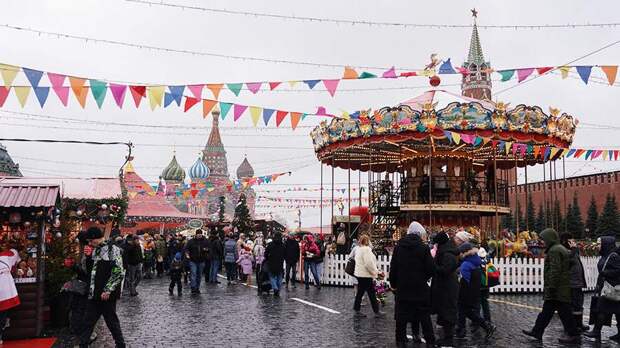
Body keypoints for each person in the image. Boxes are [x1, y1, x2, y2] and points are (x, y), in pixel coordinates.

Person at [522, 228, 580, 344]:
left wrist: (552, 287)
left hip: (557, 289)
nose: (541, 242)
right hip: (560, 288)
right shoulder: (559, 248)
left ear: (549, 239)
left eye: (543, 239)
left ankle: (573, 335)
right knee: (547, 312)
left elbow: (555, 270)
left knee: (565, 313)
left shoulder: (554, 250)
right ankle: (537, 331)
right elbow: (570, 262)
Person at [389, 222, 436, 347]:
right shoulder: (424, 248)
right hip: (420, 289)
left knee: (401, 318)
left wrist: (394, 284)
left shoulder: (399, 247)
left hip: (403, 288)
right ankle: (430, 342)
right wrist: (422, 278)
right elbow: (431, 269)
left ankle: (400, 341)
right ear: (420, 234)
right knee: (425, 317)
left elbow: (393, 268)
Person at [79, 227, 125, 348]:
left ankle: (120, 344)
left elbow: (118, 272)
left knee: (111, 321)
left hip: (106, 295)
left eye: (90, 240)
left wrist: (108, 289)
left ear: (95, 238)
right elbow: (87, 272)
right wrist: (87, 258)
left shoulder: (112, 249)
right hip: (94, 293)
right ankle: (83, 344)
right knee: (87, 322)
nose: (89, 243)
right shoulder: (93, 250)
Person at [455, 243, 496, 340]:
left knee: (465, 311)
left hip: (466, 292)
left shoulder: (465, 264)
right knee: (465, 311)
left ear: (465, 253)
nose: (459, 254)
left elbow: (463, 280)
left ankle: (486, 326)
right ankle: (462, 330)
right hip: (474, 291)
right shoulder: (476, 261)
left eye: (460, 253)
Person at [584, 236, 620, 341]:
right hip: (609, 288)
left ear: (606, 244)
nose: (598, 246)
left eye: (599, 244)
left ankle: (596, 331)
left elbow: (618, 270)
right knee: (618, 312)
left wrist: (605, 273)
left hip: (611, 289)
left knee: (601, 310)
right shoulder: (606, 255)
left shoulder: (613, 256)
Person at [431, 232, 460, 346]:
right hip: (445, 286)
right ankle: (445, 336)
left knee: (448, 311)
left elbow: (446, 270)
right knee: (444, 310)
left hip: (448, 287)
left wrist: (434, 267)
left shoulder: (447, 254)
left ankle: (448, 339)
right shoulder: (446, 251)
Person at [560, 233, 589, 332]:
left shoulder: (573, 251)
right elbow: (568, 261)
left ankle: (579, 323)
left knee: (579, 304)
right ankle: (573, 325)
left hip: (577, 282)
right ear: (566, 241)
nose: (573, 242)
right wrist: (574, 249)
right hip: (571, 283)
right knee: (573, 305)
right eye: (571, 241)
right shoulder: (564, 251)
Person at [353, 234, 384, 318]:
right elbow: (368, 264)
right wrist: (376, 272)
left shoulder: (359, 249)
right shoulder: (366, 250)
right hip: (365, 275)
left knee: (360, 292)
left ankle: (357, 309)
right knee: (371, 293)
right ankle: (376, 311)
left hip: (359, 274)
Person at [0, 244, 21, 345]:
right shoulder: (9, 254)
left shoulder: (5, 255)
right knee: (3, 311)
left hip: (4, 286)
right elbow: (16, 260)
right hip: (5, 287)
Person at [184, 229, 210, 294]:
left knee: (199, 275)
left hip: (201, 260)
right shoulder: (191, 241)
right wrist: (187, 255)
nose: (199, 235)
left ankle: (197, 288)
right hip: (193, 260)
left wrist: (206, 250)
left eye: (200, 234)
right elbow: (186, 249)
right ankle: (193, 288)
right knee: (193, 274)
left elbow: (209, 249)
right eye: (198, 234)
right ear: (196, 234)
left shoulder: (205, 241)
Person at [265, 232, 286, 297]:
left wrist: (267, 258)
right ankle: (278, 290)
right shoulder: (283, 245)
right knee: (279, 277)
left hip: (271, 262)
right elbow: (285, 254)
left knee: (272, 276)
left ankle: (275, 288)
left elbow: (266, 253)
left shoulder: (270, 244)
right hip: (280, 262)